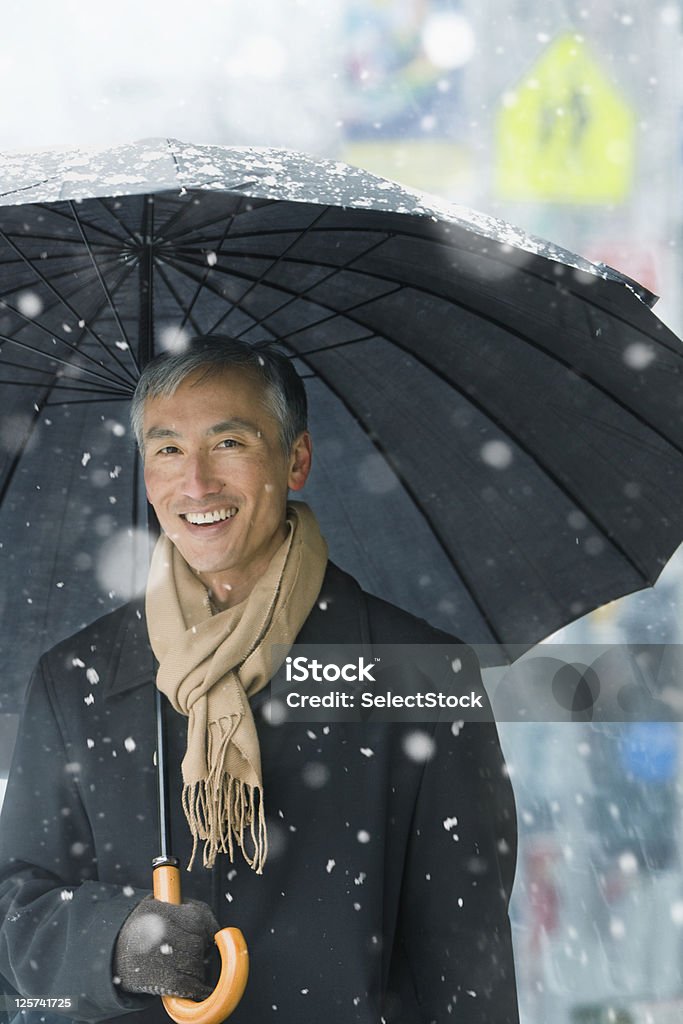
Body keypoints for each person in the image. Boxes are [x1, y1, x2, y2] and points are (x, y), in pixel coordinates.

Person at [0, 336, 519, 1023]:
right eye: (166, 449)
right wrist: (114, 941)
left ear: (295, 459)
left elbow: (465, 965)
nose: (196, 483)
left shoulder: (419, 674)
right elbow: (16, 916)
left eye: (229, 443)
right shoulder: (76, 680)